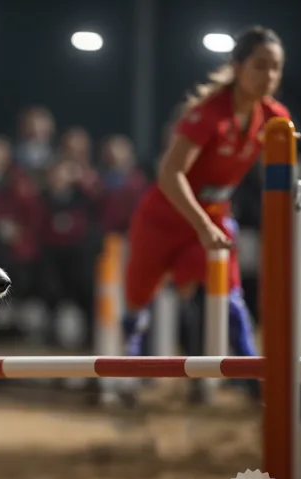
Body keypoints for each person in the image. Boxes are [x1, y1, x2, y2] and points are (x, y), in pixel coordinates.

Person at [119, 26, 289, 403]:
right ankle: (126, 375)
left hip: (211, 221)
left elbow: (286, 180)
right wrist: (203, 224)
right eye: (260, 66)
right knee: (137, 302)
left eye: (276, 67)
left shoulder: (276, 119)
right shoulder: (209, 114)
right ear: (237, 67)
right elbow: (169, 174)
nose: (270, 76)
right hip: (163, 220)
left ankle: (252, 380)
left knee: (229, 296)